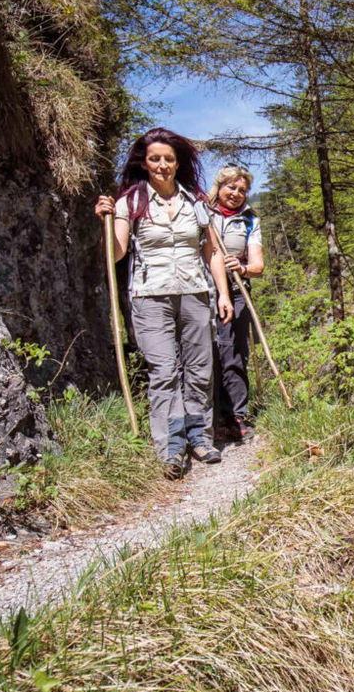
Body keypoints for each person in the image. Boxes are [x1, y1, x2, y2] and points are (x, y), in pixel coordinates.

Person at [93, 129, 233, 476]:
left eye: (168, 159)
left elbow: (212, 252)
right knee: (164, 371)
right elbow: (116, 253)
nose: (162, 165)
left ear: (177, 162)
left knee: (200, 368)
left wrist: (223, 293)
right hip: (149, 296)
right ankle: (171, 447)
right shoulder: (130, 203)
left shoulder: (196, 202)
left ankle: (200, 437)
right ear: (144, 163)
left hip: (195, 292)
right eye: (154, 159)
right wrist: (105, 222)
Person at [206, 164, 264, 445]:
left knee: (233, 353)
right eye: (231, 187)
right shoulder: (202, 212)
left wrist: (242, 268)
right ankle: (208, 418)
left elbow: (258, 266)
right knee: (203, 353)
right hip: (200, 289)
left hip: (237, 290)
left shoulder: (249, 220)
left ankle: (235, 416)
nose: (236, 194)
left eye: (242, 190)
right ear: (219, 187)